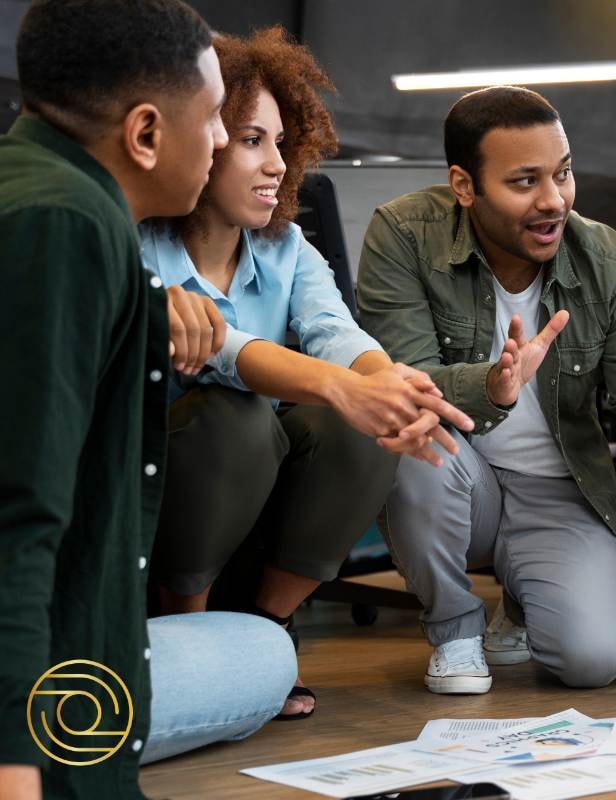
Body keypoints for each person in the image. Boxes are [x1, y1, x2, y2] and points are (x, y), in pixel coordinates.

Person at [356, 85, 616, 694]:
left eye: (564, 173)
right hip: (458, 476)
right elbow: (399, 381)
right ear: (464, 186)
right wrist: (489, 389)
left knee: (591, 661)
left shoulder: (612, 262)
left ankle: (524, 601)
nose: (553, 200)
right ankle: (455, 628)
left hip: (559, 489)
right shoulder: (403, 234)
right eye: (525, 182)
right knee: (413, 439)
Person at [140, 26, 472, 722]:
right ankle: (187, 637)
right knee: (233, 415)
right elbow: (224, 353)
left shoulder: (286, 246)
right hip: (162, 508)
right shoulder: (138, 240)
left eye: (282, 144)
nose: (275, 164)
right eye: (252, 139)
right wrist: (341, 386)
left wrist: (386, 385)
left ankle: (264, 631)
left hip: (258, 508)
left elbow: (334, 330)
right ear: (202, 137)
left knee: (360, 429)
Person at [2, 2, 285, 798]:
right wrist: (15, 762)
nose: (226, 140)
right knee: (261, 658)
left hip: (84, 648)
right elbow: (16, 521)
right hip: (53, 685)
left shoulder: (58, 198)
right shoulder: (62, 224)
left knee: (259, 653)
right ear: (147, 133)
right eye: (216, 120)